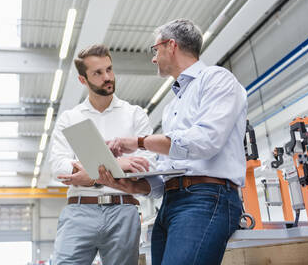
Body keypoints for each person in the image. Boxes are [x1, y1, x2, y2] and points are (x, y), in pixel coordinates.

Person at [98, 19, 247, 265]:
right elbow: (169, 170)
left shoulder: (217, 79)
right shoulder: (173, 106)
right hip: (170, 202)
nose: (153, 58)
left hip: (207, 197)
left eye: (155, 50)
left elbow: (205, 141)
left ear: (171, 45)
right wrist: (131, 186)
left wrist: (140, 141)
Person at [49, 44, 154, 265]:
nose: (107, 77)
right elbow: (59, 166)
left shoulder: (135, 115)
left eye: (109, 69)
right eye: (97, 73)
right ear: (83, 80)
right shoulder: (70, 118)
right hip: (80, 210)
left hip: (123, 210)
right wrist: (121, 164)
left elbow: (148, 165)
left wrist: (90, 173)